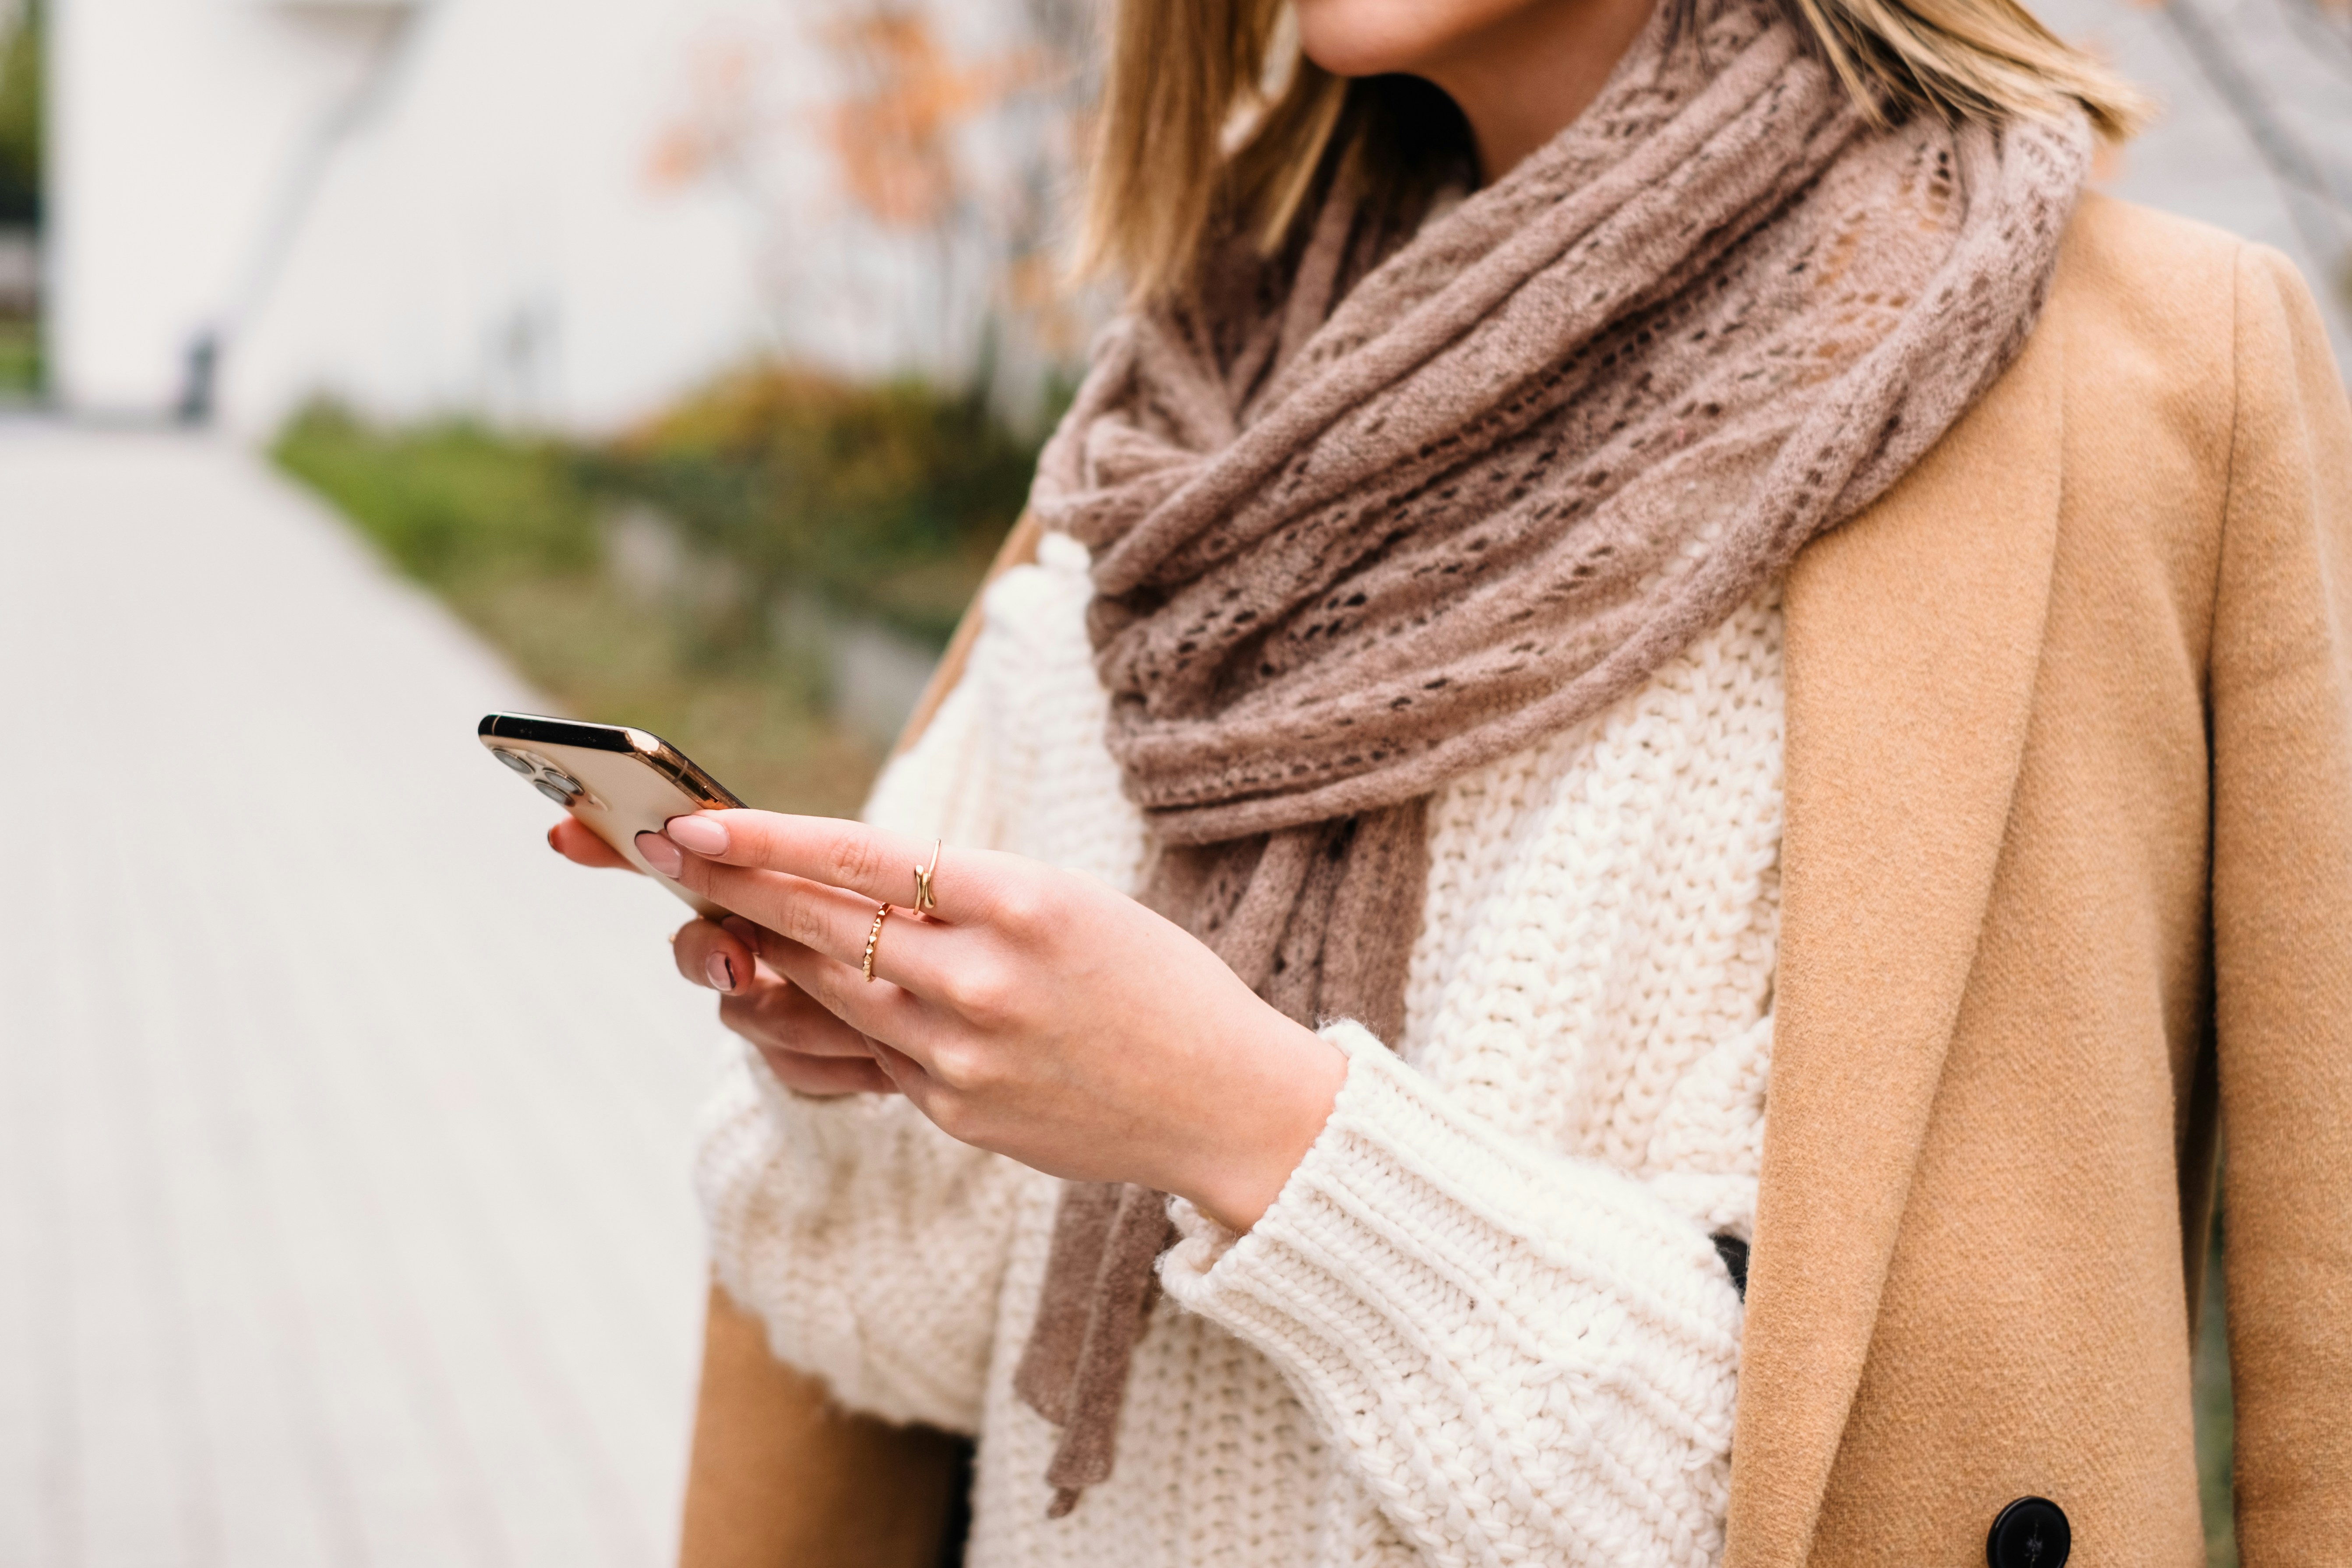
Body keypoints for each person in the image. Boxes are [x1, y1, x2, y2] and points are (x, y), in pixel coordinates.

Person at [554, 0, 2352, 1559]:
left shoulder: (2124, 384)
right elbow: (932, 1361)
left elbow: (1840, 1480)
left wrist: (1247, 1126)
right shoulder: (1187, 391)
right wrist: (884, 1056)